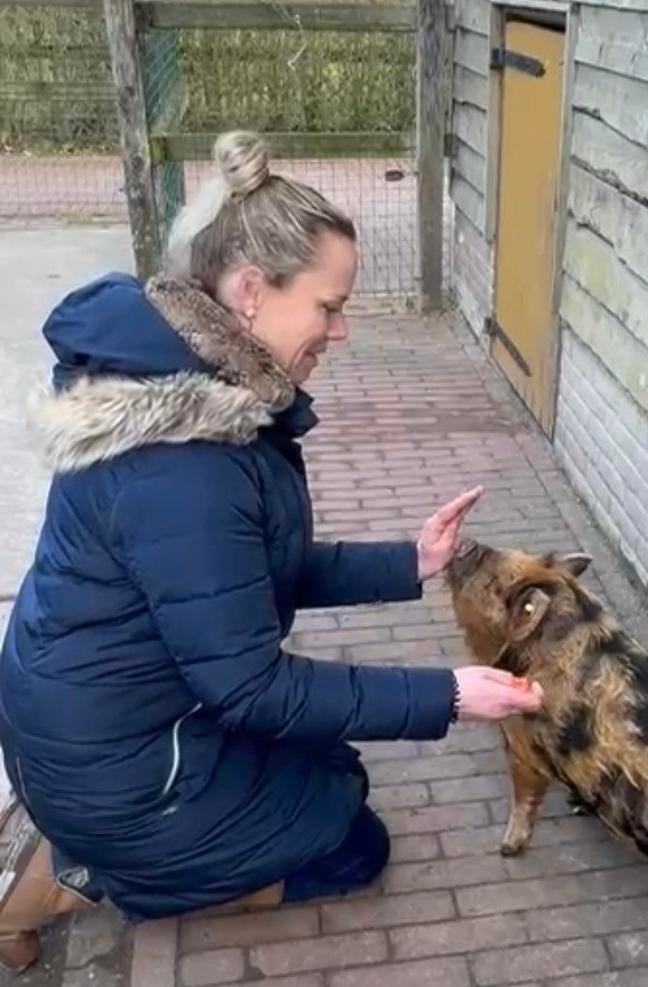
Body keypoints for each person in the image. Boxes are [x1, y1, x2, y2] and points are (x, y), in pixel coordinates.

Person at [0, 130, 543, 939]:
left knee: (334, 768)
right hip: (126, 764)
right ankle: (88, 880)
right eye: (329, 306)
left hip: (112, 726)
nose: (340, 330)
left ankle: (95, 846)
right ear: (250, 290)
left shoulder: (191, 392)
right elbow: (251, 687)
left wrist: (413, 563)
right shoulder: (185, 463)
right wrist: (449, 695)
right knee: (354, 848)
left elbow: (249, 574)